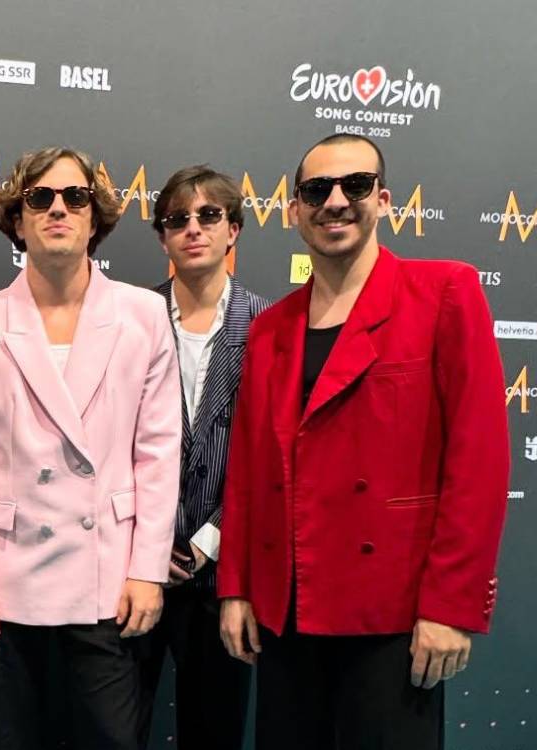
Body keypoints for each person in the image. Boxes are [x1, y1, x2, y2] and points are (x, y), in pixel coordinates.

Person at [217, 134, 509, 749]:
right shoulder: (271, 328)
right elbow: (247, 471)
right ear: (294, 210)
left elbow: (478, 463)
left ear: (383, 199)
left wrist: (451, 606)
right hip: (286, 608)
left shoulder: (444, 293)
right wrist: (237, 586)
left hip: (392, 611)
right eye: (316, 190)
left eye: (354, 185)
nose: (335, 202)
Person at [0, 146, 181, 749]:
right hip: (5, 587)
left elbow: (157, 454)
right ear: (17, 221)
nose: (58, 209)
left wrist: (148, 571)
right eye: (39, 198)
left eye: (75, 197)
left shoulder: (145, 315)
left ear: (95, 218)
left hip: (109, 584)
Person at [137, 166, 269, 748]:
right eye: (178, 219)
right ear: (162, 237)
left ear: (233, 229)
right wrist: (150, 540)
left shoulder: (268, 325)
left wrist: (207, 542)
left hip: (225, 576)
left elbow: (268, 461)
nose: (193, 228)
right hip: (134, 570)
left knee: (215, 733)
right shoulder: (130, 318)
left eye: (209, 215)